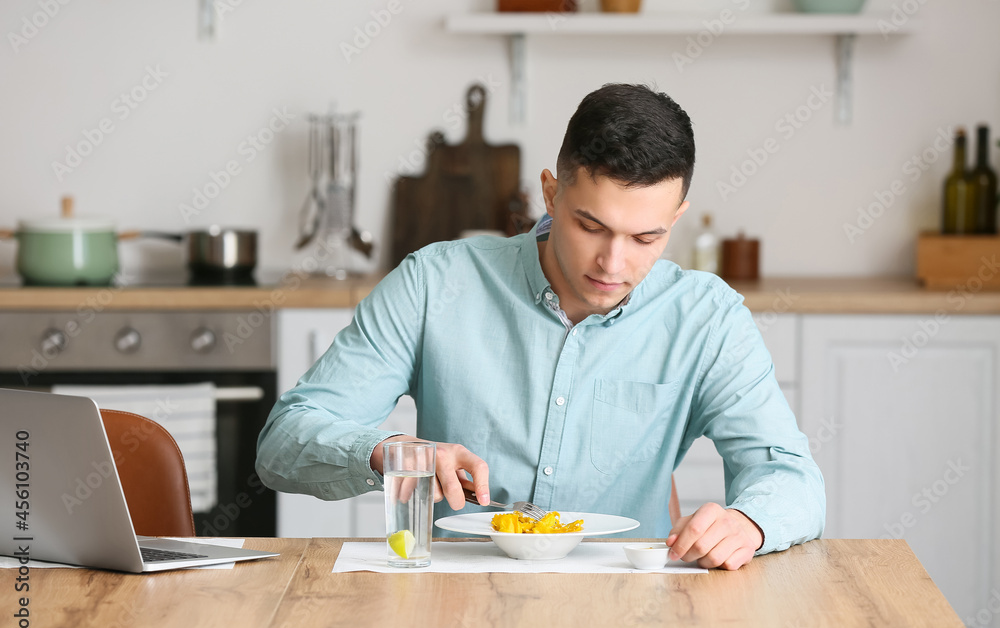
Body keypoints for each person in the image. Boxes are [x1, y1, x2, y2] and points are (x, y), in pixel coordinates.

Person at [257, 83, 825, 570]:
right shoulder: (436, 283)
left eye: (646, 238)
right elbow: (283, 441)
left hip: (629, 611)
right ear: (551, 193)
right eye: (590, 226)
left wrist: (748, 521)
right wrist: (390, 451)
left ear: (676, 219)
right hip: (455, 603)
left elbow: (792, 478)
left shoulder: (706, 317)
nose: (613, 263)